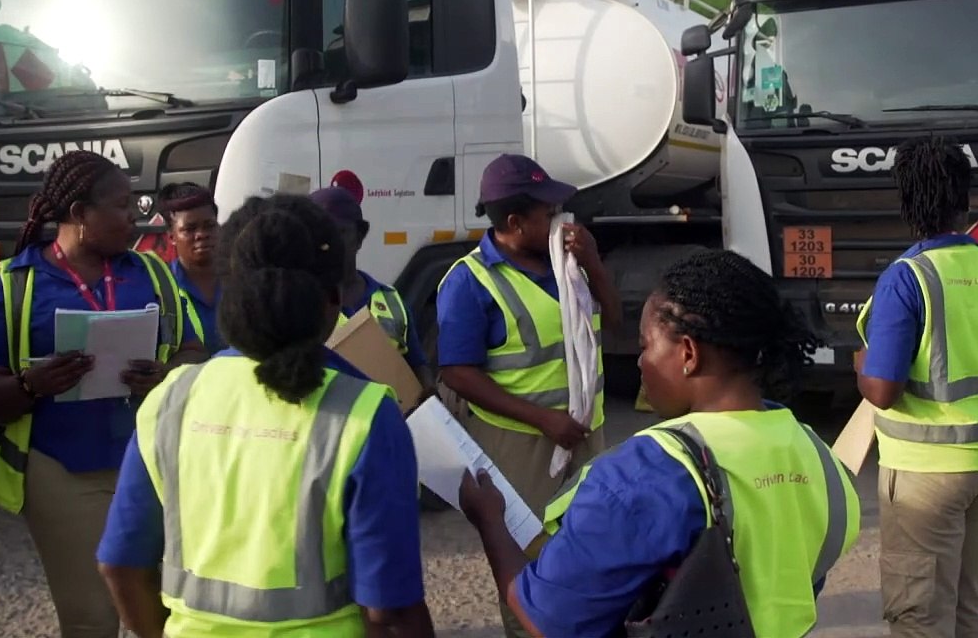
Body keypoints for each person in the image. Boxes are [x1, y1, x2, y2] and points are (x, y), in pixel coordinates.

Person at [460, 249, 860, 637]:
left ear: (688, 353)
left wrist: (491, 522)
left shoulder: (641, 475)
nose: (640, 362)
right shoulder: (818, 456)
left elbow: (550, 619)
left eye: (646, 346)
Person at [96, 193, 435, 637]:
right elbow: (390, 613)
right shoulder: (366, 415)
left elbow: (120, 566)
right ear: (333, 299)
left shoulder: (171, 400)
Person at [0, 150, 205, 638]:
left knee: (173, 609)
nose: (135, 216)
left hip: (152, 463)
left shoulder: (153, 275)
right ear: (79, 214)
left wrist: (165, 374)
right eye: (122, 205)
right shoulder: (14, 288)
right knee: (91, 618)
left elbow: (193, 352)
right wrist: (30, 385)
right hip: (63, 472)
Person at [854, 136, 978, 638]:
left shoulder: (906, 278)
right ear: (966, 199)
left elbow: (882, 391)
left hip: (927, 472)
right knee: (968, 604)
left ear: (905, 202)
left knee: (920, 616)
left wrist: (861, 364)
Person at [438, 153, 620, 636]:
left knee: (591, 551)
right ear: (515, 223)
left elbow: (614, 322)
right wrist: (542, 419)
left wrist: (594, 262)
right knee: (529, 561)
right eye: (548, 213)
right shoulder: (469, 281)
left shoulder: (568, 266)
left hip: (585, 434)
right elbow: (457, 372)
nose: (562, 219)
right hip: (521, 445)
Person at [309, 186, 430, 385]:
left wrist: (429, 390)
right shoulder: (298, 302)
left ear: (359, 237)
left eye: (339, 232)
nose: (329, 244)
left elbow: (417, 365)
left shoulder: (391, 301)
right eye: (319, 235)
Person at [160, 182, 226, 355]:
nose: (202, 234)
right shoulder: (163, 288)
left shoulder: (241, 280)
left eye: (209, 226)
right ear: (172, 237)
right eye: (189, 229)